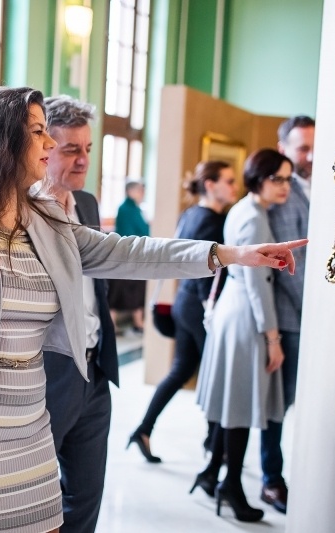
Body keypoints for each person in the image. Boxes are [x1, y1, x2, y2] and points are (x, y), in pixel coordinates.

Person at [0, 86, 305, 532]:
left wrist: (230, 255)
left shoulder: (45, 218)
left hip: (29, 426)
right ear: (0, 141)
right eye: (39, 133)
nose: (50, 145)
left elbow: (133, 252)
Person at [195, 149, 294, 523]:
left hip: (233, 310)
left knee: (229, 400)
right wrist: (273, 338)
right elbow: (257, 284)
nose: (284, 186)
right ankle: (230, 485)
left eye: (287, 178)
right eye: (278, 179)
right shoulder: (252, 217)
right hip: (246, 317)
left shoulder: (245, 209)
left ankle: (210, 475)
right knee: (238, 405)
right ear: (259, 179)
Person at [40, 95, 118, 533]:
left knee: (86, 498)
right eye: (71, 150)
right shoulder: (22, 211)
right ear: (43, 149)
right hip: (48, 376)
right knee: (33, 498)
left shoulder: (86, 204)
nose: (83, 159)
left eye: (88, 149)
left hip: (95, 372)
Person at [129, 161, 237, 465]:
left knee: (181, 370)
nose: (234, 186)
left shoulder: (190, 214)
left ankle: (143, 429)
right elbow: (208, 271)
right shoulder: (214, 221)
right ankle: (216, 446)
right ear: (211, 185)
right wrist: (211, 310)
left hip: (183, 304)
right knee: (217, 376)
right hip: (202, 307)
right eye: (228, 181)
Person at [260, 115, 315, 514]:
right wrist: (313, 312)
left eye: (315, 146)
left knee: (291, 400)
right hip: (290, 314)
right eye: (302, 148)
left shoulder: (322, 183)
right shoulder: (282, 192)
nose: (310, 156)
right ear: (284, 150)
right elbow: (286, 263)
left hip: (306, 314)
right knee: (278, 403)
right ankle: (271, 479)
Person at [108, 179, 150, 333]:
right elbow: (139, 229)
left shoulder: (135, 208)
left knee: (137, 289)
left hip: (135, 254)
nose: (142, 194)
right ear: (130, 191)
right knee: (117, 291)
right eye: (139, 190)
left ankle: (138, 322)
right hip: (125, 252)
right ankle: (113, 323)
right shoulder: (126, 208)